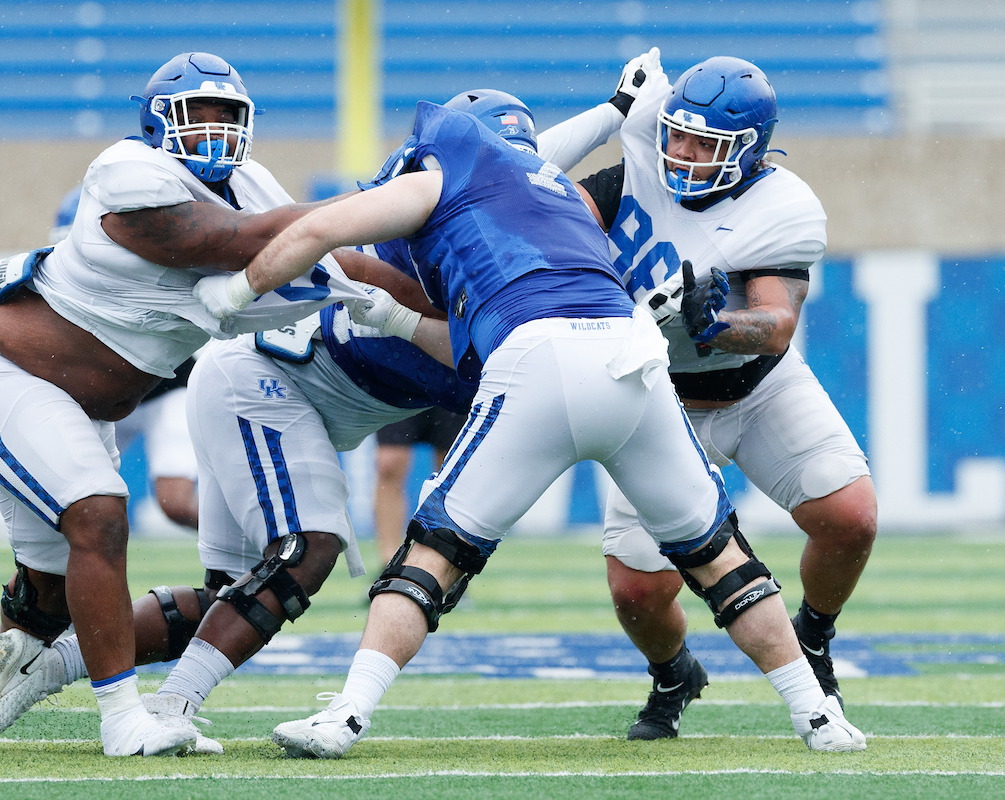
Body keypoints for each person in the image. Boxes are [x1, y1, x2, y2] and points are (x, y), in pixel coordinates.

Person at [196, 88, 866, 757]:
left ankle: (346, 715)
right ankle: (818, 716)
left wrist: (229, 297)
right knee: (721, 559)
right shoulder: (554, 187)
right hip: (632, 353)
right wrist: (610, 111)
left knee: (435, 553)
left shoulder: (456, 166)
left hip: (540, 353)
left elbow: (318, 232)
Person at [0, 51, 409, 757]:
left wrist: (440, 306)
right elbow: (230, 241)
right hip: (3, 380)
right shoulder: (130, 173)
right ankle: (124, 720)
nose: (212, 130)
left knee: (48, 594)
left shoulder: (250, 184)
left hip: (79, 405)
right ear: (157, 122)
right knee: (98, 513)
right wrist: (366, 208)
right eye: (195, 114)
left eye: (227, 116)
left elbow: (333, 262)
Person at [0, 256, 470, 752]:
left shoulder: (514, 311)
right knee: (304, 550)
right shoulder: (478, 285)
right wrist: (406, 309)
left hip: (251, 378)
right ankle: (163, 706)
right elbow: (325, 246)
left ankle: (42, 670)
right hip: (261, 377)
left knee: (230, 594)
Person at [536, 50, 878, 739]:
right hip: (655, 405)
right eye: (677, 133)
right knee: (638, 591)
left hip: (757, 392)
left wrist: (711, 322)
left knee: (851, 515)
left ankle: (813, 635)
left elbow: (777, 325)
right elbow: (539, 197)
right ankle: (673, 674)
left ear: (748, 153)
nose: (682, 152)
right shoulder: (634, 173)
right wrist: (610, 118)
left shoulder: (780, 208)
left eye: (705, 143)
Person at [53, 185, 200, 530]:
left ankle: (257, 543)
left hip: (165, 389)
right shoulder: (59, 281)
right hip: (106, 398)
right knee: (66, 497)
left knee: (175, 503)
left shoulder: (149, 273)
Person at [373, 408, 465, 565]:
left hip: (450, 386)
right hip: (403, 386)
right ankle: (389, 564)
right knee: (389, 464)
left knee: (451, 466)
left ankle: (447, 562)